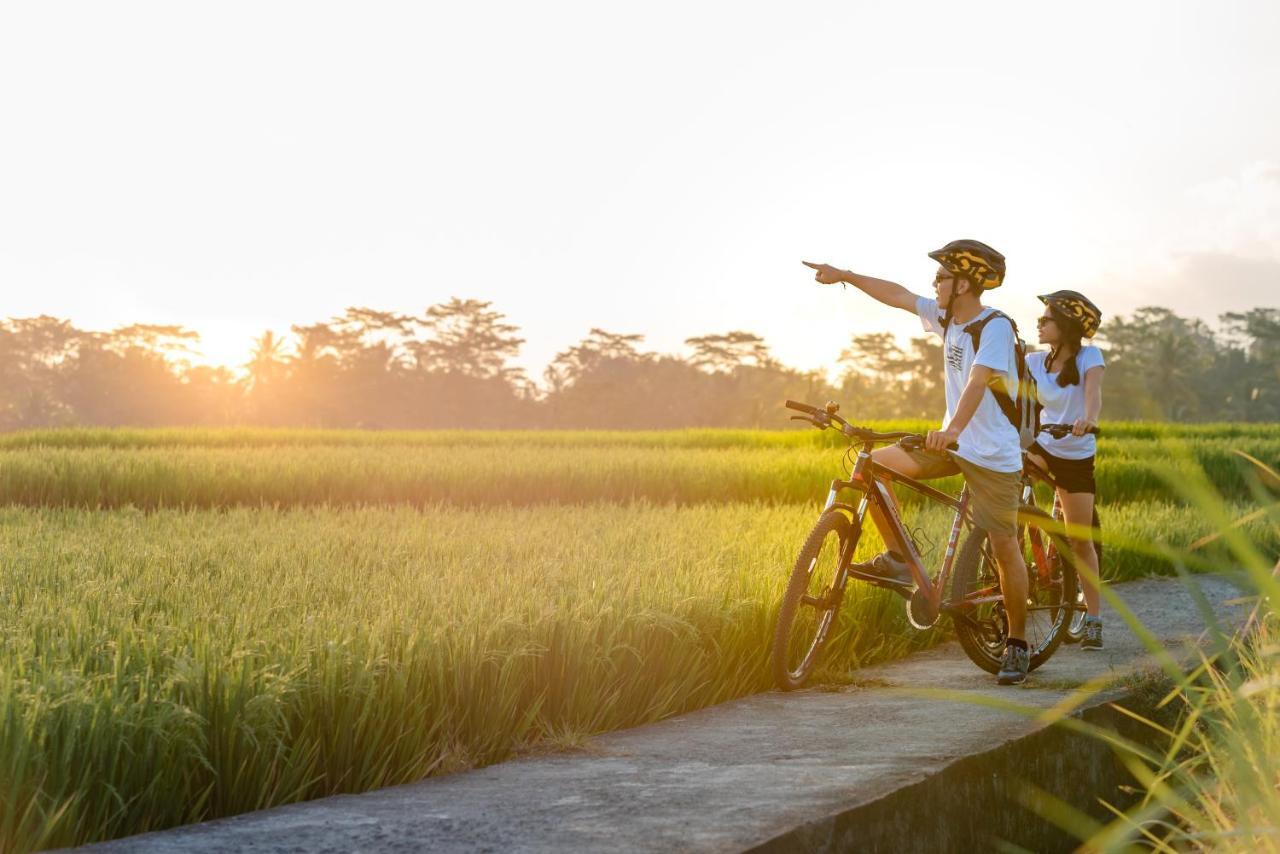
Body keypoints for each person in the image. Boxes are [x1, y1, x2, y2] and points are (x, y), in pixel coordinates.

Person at [803, 240, 1034, 685]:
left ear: (964, 283)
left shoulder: (995, 326)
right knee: (873, 468)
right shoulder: (946, 316)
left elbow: (977, 383)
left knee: (1005, 547)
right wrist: (846, 275)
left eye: (943, 276)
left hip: (991, 453)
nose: (935, 283)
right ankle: (897, 557)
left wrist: (952, 429)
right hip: (951, 443)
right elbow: (898, 295)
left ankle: (1018, 644)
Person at [1025, 290, 1106, 650]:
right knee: (1010, 475)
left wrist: (1087, 419)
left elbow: (1094, 393)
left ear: (1067, 326)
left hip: (1075, 454)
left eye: (1047, 319)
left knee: (1080, 540)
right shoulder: (1034, 361)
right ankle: (1024, 552)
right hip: (1043, 445)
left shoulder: (1090, 356)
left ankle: (1093, 617)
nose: (1039, 324)